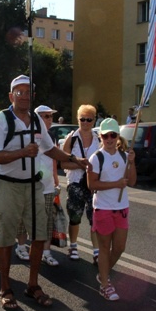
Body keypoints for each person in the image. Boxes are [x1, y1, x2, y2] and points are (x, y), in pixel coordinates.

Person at [0, 75, 88, 310]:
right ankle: (5, 286)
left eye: (27, 92)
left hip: (34, 185)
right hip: (7, 185)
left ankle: (33, 285)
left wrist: (75, 159)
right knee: (4, 238)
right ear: (11, 96)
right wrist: (22, 152)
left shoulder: (36, 120)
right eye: (18, 92)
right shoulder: (1, 120)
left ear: (32, 96)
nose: (23, 96)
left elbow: (50, 149)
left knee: (40, 235)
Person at [87, 118, 136, 301]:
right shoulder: (97, 157)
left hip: (121, 207)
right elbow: (91, 184)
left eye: (112, 135)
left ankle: (104, 273)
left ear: (117, 137)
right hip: (103, 207)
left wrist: (132, 162)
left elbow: (131, 181)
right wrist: (116, 183)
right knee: (105, 248)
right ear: (100, 136)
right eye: (105, 135)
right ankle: (105, 284)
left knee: (120, 247)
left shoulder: (124, 156)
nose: (109, 139)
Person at [62, 104, 100, 263]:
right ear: (78, 120)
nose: (85, 122)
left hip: (93, 184)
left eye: (88, 119)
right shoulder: (72, 138)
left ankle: (97, 251)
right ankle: (74, 246)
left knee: (94, 218)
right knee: (75, 216)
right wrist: (80, 164)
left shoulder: (98, 139)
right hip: (76, 183)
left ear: (94, 120)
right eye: (82, 119)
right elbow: (63, 164)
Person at [35, 105, 61, 267]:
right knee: (30, 220)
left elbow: (53, 160)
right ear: (38, 118)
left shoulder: (51, 135)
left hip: (49, 185)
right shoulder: (31, 135)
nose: (50, 119)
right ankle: (24, 248)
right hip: (33, 185)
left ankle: (46, 253)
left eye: (51, 116)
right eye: (46, 116)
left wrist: (57, 180)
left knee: (48, 221)